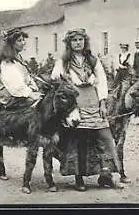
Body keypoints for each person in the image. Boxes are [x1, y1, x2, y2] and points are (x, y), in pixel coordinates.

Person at [51, 28, 124, 191]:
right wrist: (66, 84)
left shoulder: (92, 60)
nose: (78, 43)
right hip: (75, 104)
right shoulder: (63, 62)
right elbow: (54, 79)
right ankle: (79, 178)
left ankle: (106, 175)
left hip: (94, 101)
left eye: (80, 39)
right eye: (74, 40)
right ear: (69, 43)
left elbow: (102, 82)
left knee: (105, 137)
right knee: (79, 141)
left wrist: (103, 103)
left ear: (85, 41)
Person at [0, 28, 42, 109]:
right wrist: (30, 94)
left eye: (23, 40)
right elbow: (15, 84)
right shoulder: (7, 62)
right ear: (11, 44)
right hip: (14, 97)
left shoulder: (19, 59)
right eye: (19, 40)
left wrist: (34, 88)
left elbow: (27, 78)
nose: (23, 43)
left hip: (24, 94)